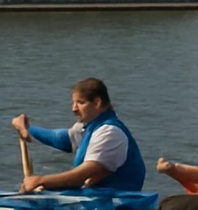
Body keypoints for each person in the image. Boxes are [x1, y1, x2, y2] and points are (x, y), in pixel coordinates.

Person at [12, 78, 146, 192]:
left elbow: (80, 176)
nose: (74, 109)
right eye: (73, 102)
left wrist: (41, 181)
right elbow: (60, 139)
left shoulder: (110, 133)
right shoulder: (89, 126)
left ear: (97, 103)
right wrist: (27, 128)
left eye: (80, 103)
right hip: (96, 199)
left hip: (117, 206)